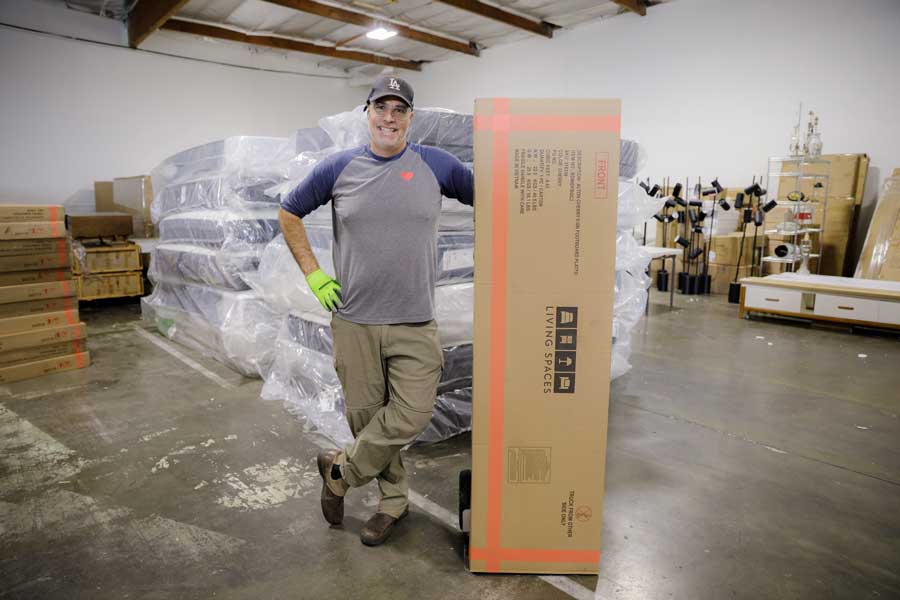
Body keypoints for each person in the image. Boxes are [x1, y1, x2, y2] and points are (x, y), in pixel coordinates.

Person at [278, 76, 474, 546]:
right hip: (355, 321)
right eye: (381, 107)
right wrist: (313, 274)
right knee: (367, 421)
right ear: (367, 112)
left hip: (415, 320)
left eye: (399, 109)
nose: (389, 117)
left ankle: (339, 473)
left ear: (410, 117)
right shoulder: (339, 168)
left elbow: (496, 200)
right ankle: (392, 503)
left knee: (412, 413)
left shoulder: (437, 165)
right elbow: (289, 212)